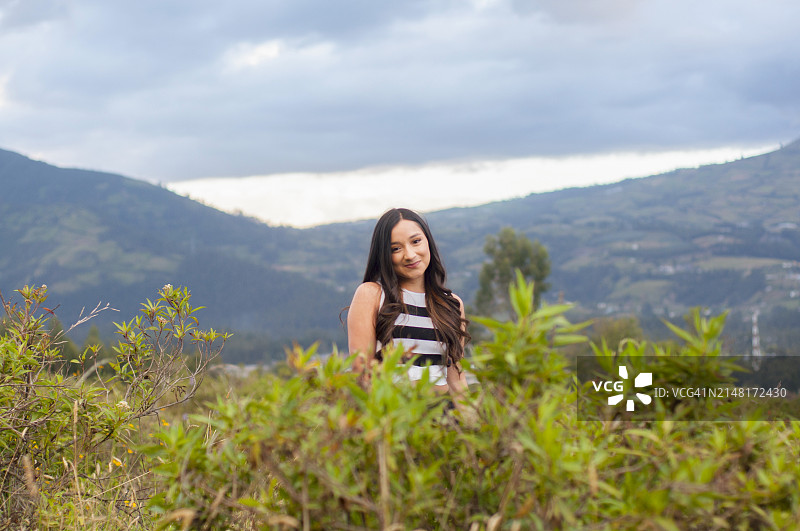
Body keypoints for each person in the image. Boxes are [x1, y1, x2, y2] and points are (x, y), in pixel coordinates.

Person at [347, 208, 470, 394]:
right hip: (396, 416)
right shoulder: (372, 295)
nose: (410, 254)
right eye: (396, 248)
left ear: (428, 241)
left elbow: (457, 382)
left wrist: (473, 422)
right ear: (384, 255)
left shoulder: (451, 304)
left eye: (416, 241)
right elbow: (362, 375)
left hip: (445, 417)